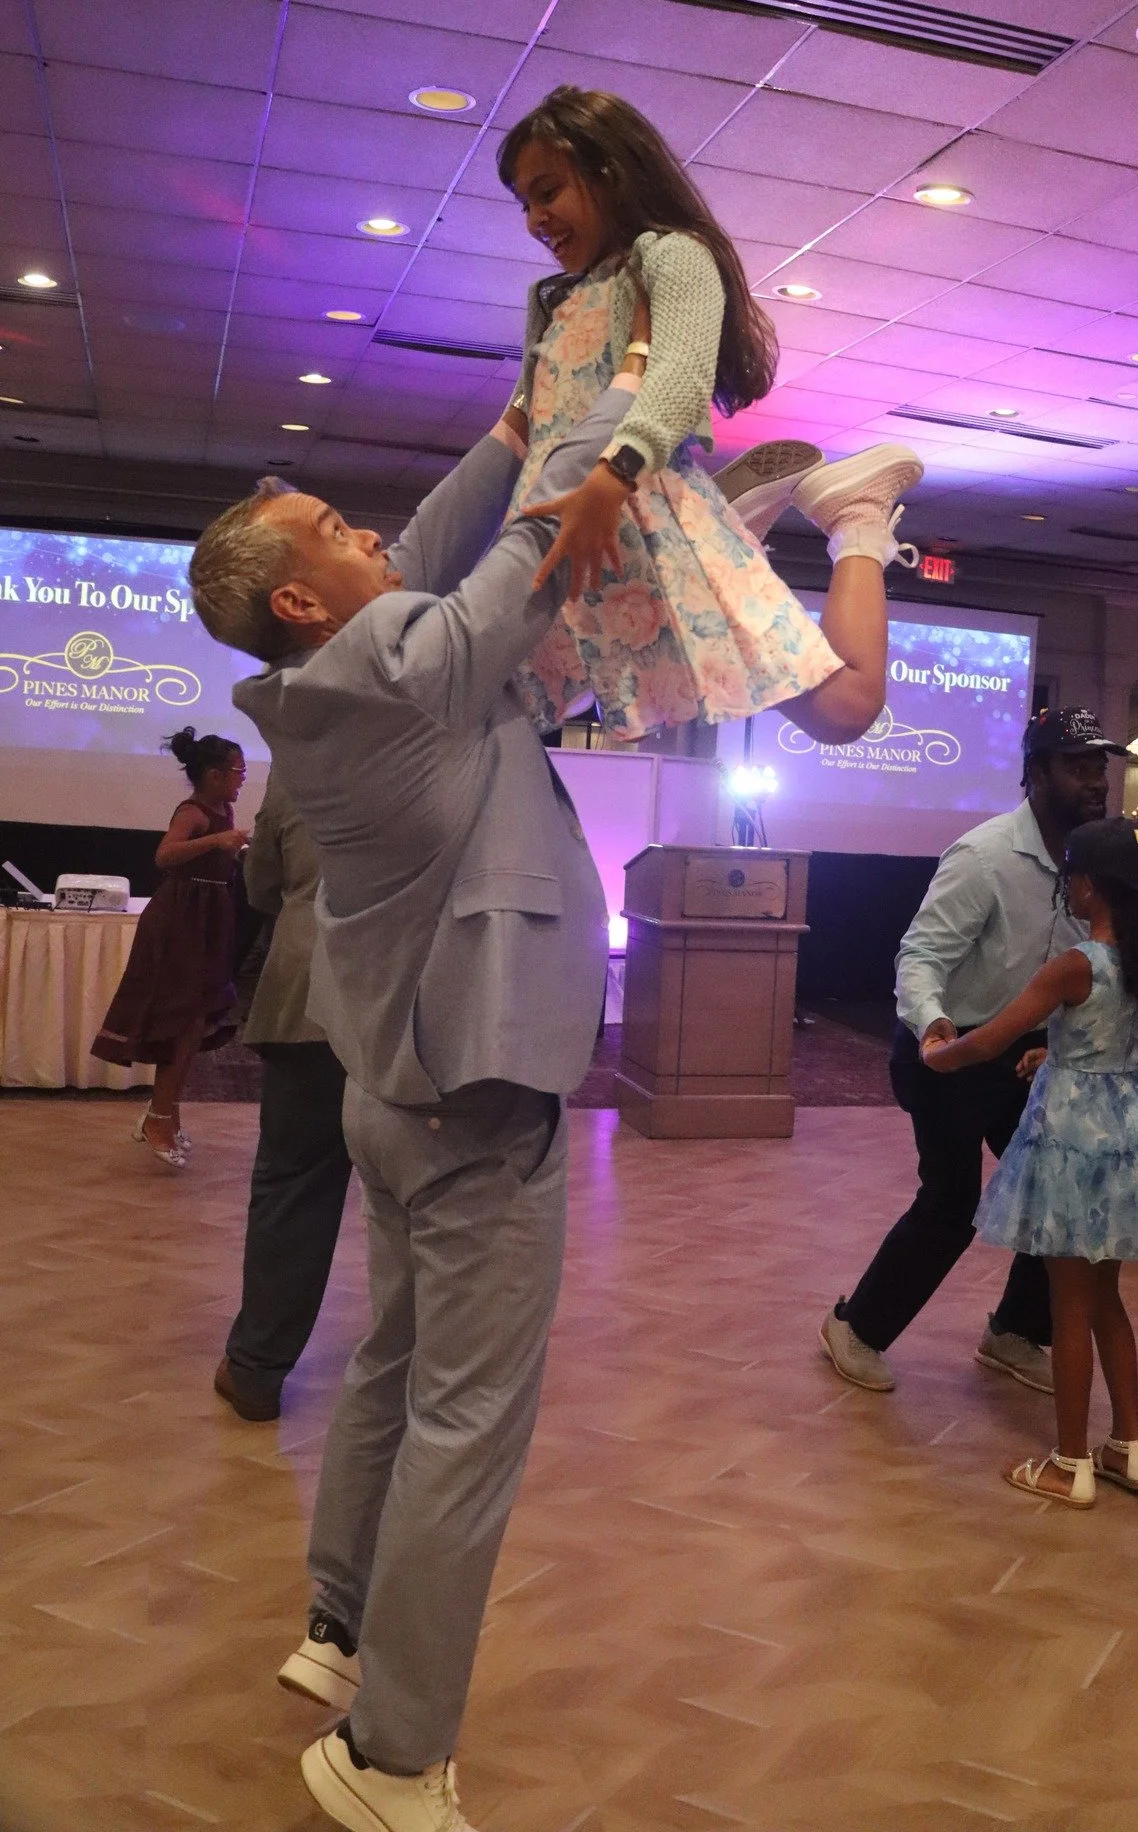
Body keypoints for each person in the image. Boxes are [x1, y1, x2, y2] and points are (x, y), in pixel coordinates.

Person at [188, 343, 663, 1831]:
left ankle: (337, 1630)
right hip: (468, 1100)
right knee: (468, 1418)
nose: (373, 534)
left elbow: (447, 538)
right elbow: (513, 554)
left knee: (395, 1373)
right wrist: (609, 439)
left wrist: (525, 413)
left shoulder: (339, 672)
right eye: (340, 533)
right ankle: (391, 1757)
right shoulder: (397, 667)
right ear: (300, 600)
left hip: (399, 1091)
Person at [495, 84, 923, 746]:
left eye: (547, 193)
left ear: (607, 173)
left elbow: (679, 377)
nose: (533, 219)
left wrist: (612, 480)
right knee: (525, 697)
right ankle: (734, 524)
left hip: (630, 510)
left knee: (844, 711)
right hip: (578, 522)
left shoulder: (674, 256)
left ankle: (856, 519)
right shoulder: (552, 297)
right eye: (523, 202)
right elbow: (525, 425)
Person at [819, 707, 1124, 1397]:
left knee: (1059, 1187)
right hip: (949, 1050)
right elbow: (920, 956)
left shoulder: (1089, 863)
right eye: (1078, 767)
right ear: (1036, 773)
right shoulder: (984, 857)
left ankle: (1014, 1333)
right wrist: (932, 1026)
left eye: (1099, 768)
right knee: (951, 1202)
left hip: (1028, 1055)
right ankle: (854, 1328)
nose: (1096, 782)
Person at [922, 819, 1138, 1508]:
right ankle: (1129, 1448)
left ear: (1087, 885)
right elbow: (1107, 1036)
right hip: (1127, 1130)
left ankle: (1069, 1462)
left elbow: (988, 1039)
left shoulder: (1075, 962)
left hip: (1071, 1139)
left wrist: (936, 1051)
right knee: (1105, 1298)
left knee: (1069, 1305)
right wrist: (1053, 1052)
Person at [214, 767, 351, 1424]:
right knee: (424, 1205)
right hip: (420, 1006)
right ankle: (424, 1378)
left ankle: (257, 1369)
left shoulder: (306, 757)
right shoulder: (452, 749)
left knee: (295, 1188)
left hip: (311, 998)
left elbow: (261, 884)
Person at [92, 726, 248, 1168]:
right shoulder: (194, 811)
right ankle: (159, 1116)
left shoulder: (224, 806)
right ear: (215, 775)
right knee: (183, 1019)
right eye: (238, 770)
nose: (242, 778)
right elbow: (165, 856)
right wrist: (218, 841)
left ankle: (166, 1113)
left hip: (209, 917)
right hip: (181, 919)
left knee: (193, 1023)